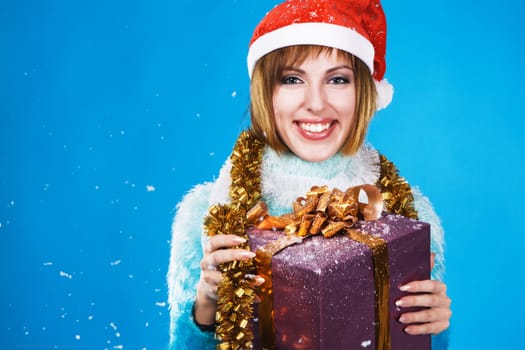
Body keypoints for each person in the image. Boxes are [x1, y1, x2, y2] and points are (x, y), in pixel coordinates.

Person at [167, 0, 452, 349]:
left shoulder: (409, 215)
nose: (315, 103)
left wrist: (434, 328)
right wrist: (206, 310)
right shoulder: (209, 215)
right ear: (265, 93)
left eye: (337, 79)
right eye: (292, 79)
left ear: (363, 93)